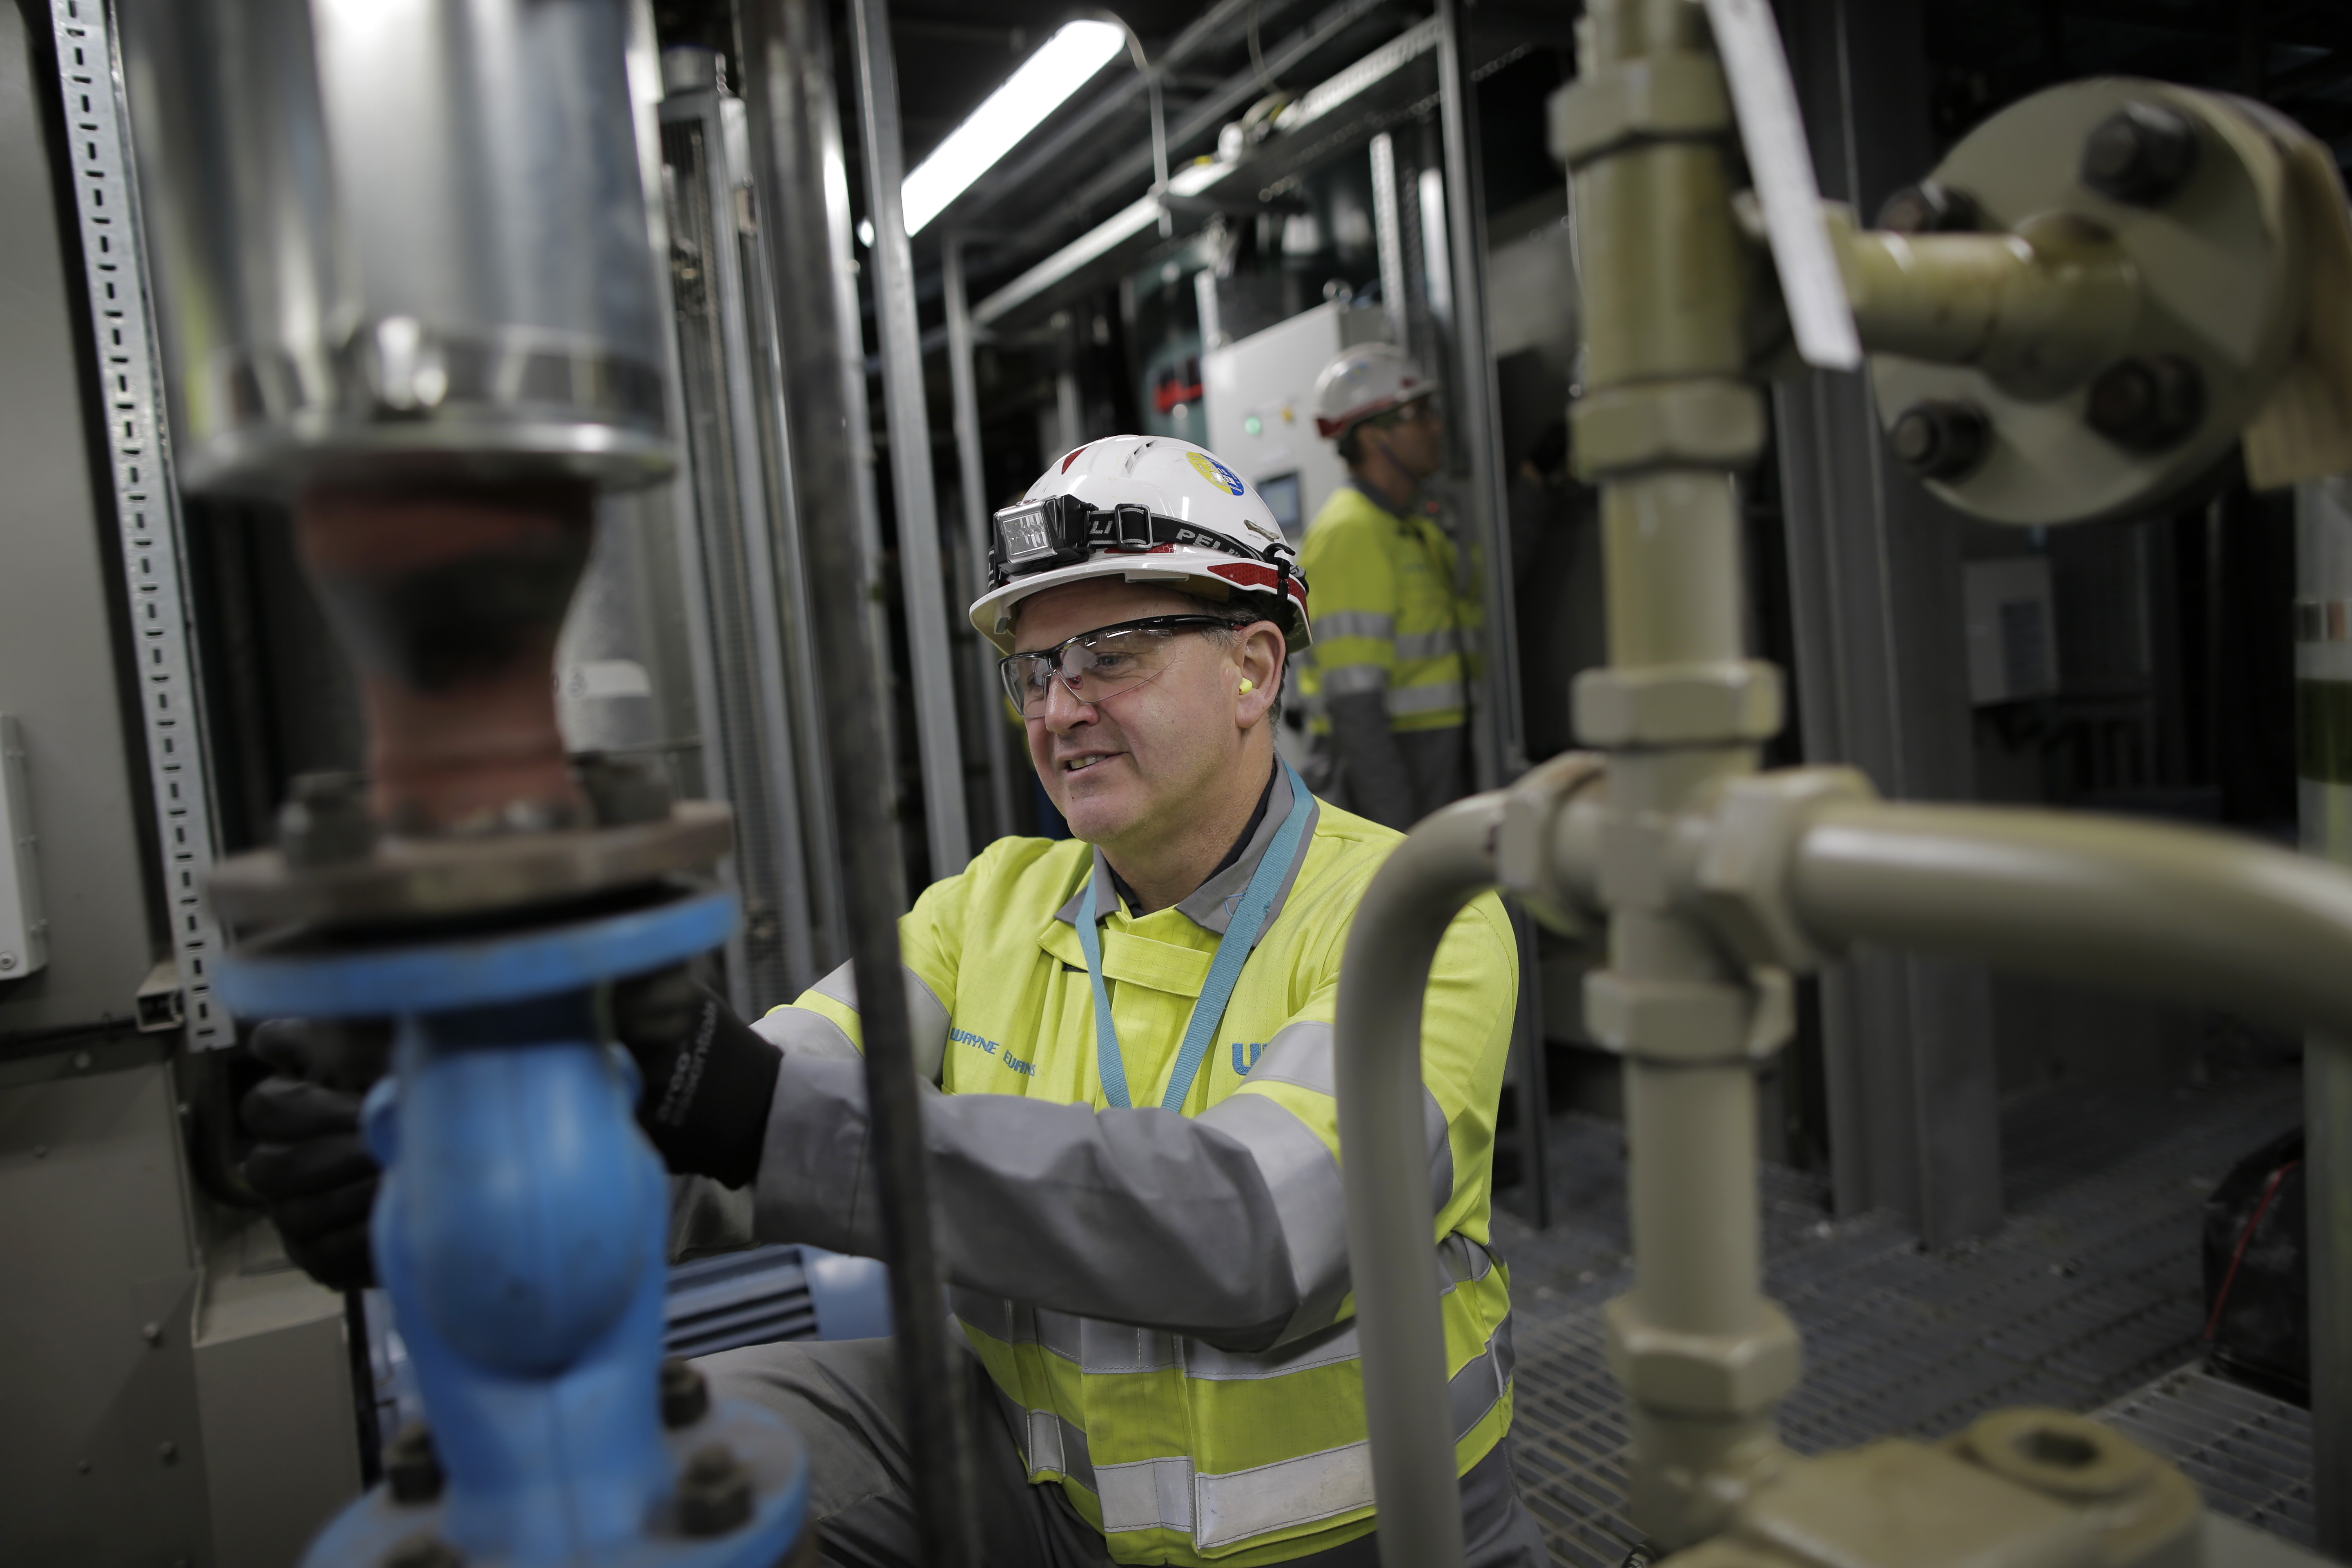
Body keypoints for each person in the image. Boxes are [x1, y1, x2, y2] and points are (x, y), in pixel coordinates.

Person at [243, 434, 1544, 1567]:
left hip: (1364, 1543)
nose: (1060, 708)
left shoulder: (1411, 914)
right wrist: (454, 1171)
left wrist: (744, 1107)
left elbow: (1260, 1229)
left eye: (1113, 655)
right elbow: (730, 1107)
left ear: (1255, 668)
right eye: (1033, 671)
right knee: (637, 1463)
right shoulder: (986, 907)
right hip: (1046, 1506)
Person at [1295, 345, 1479, 831]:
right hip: (1391, 772)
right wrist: (1394, 839)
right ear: (1377, 436)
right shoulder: (1351, 532)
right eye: (1419, 415)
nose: (1436, 427)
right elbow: (1356, 710)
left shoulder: (1410, 525)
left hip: (1434, 760)